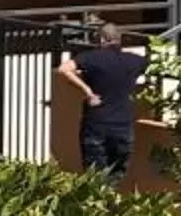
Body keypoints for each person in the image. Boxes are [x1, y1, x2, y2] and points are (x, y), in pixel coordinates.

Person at [57, 21, 147, 182]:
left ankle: (98, 198)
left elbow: (64, 69)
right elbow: (155, 65)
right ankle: (110, 198)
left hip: (96, 123)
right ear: (119, 39)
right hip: (123, 125)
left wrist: (87, 91)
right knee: (116, 176)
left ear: (101, 39)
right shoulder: (134, 60)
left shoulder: (92, 58)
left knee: (95, 178)